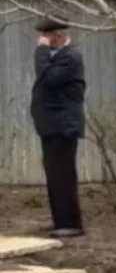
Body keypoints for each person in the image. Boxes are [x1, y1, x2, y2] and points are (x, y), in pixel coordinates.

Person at [30, 17, 86, 239]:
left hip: (63, 125)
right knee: (54, 175)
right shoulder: (58, 56)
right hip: (52, 125)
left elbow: (48, 79)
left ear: (58, 36)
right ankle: (60, 220)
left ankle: (71, 223)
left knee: (62, 175)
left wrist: (41, 53)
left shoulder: (70, 57)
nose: (42, 41)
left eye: (46, 37)